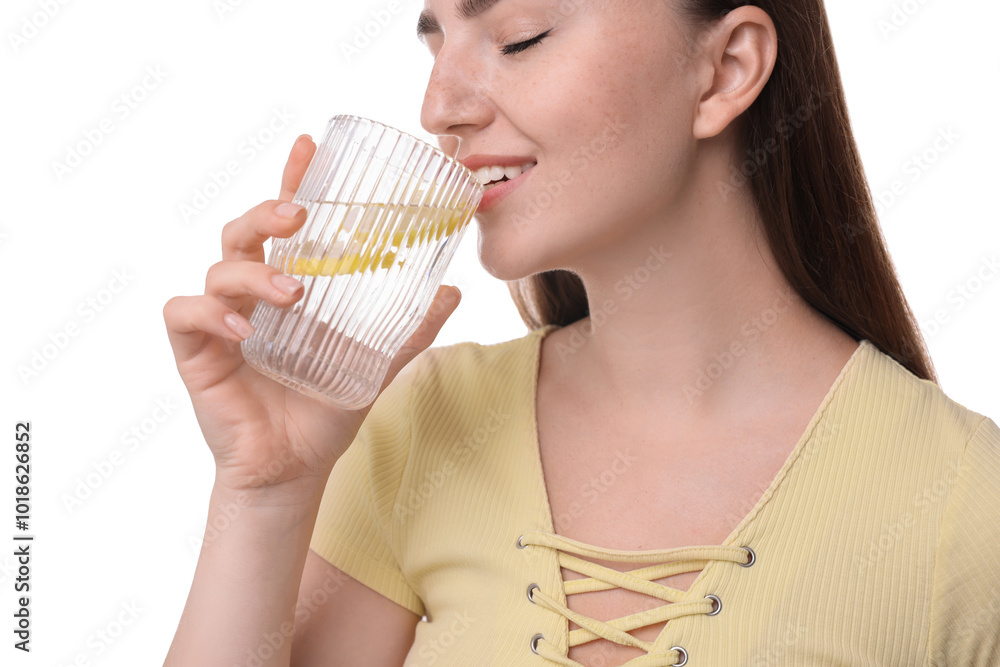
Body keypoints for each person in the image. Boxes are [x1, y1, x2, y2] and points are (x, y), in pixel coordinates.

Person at [162, 1, 1000, 665]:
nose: (438, 108)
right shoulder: (428, 419)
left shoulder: (968, 505)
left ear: (725, 70)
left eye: (519, 37)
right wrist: (266, 492)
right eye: (435, 43)